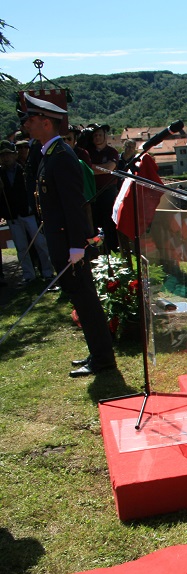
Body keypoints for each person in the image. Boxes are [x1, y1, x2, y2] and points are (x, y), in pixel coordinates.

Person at [19, 95, 116, 377]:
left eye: (31, 119)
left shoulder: (61, 156)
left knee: (86, 300)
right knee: (81, 300)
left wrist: (77, 245)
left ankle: (103, 359)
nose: (27, 124)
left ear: (46, 122)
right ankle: (97, 352)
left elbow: (74, 204)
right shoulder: (48, 153)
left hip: (70, 242)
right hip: (61, 238)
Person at [0, 140, 54, 286]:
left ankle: (48, 272)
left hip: (29, 213)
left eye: (8, 155)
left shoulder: (24, 169)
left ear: (14, 155)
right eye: (3, 155)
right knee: (21, 247)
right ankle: (28, 275)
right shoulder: (1, 174)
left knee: (40, 244)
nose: (6, 158)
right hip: (12, 215)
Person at [82, 124, 121, 252]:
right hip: (93, 193)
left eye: (100, 135)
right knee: (95, 224)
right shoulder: (88, 152)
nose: (97, 137)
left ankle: (113, 249)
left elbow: (109, 168)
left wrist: (93, 168)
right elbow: (88, 169)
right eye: (95, 135)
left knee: (110, 223)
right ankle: (99, 252)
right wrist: (99, 168)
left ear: (105, 136)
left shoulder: (112, 152)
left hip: (108, 192)